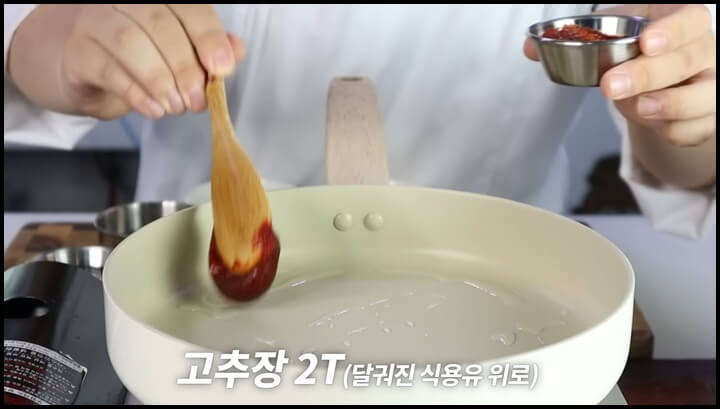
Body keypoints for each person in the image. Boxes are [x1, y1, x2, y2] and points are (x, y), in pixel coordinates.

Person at [3, 4, 716, 239]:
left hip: (498, 284)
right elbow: (31, 32)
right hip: (201, 263)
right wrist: (58, 38)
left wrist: (676, 101)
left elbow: (688, 163)